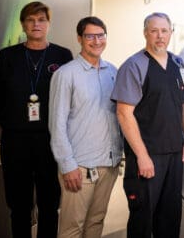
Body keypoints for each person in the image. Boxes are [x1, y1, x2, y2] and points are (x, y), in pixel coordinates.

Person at [0, 1, 73, 238]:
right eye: (30, 20)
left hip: (50, 141)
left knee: (49, 205)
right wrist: (12, 124)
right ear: (23, 24)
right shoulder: (8, 56)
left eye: (41, 20)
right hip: (15, 141)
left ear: (48, 24)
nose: (36, 24)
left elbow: (69, 97)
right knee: (19, 206)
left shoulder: (62, 55)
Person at [111, 12, 184, 238]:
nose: (160, 36)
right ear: (145, 33)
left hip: (174, 153)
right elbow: (124, 113)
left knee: (170, 216)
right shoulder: (134, 65)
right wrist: (142, 156)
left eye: (164, 31)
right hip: (147, 155)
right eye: (154, 31)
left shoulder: (178, 63)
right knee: (142, 217)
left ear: (171, 33)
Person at [49, 16, 123, 238]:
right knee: (72, 228)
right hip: (79, 166)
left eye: (100, 35)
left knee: (96, 222)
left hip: (108, 164)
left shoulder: (113, 72)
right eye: (90, 36)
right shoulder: (66, 74)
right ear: (79, 39)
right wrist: (67, 164)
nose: (96, 40)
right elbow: (57, 124)